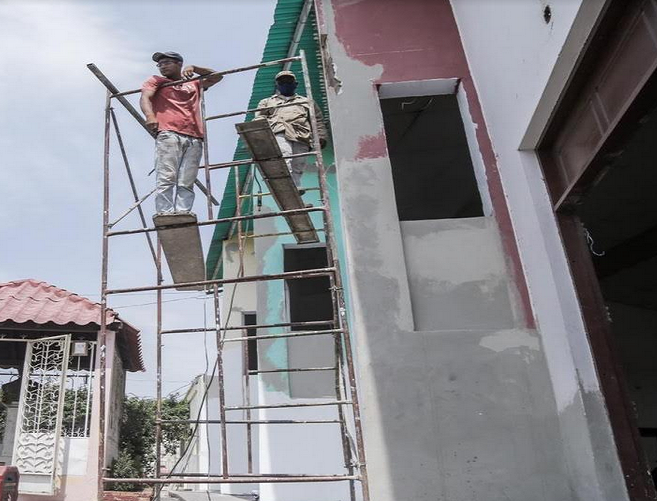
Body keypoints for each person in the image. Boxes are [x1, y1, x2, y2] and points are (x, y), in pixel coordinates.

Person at [140, 51, 223, 215]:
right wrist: (150, 116)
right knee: (167, 176)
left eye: (167, 63)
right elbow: (145, 98)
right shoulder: (157, 81)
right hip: (169, 133)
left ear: (179, 64)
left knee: (187, 179)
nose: (162, 67)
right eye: (160, 64)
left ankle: (182, 212)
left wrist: (194, 68)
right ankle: (165, 212)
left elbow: (217, 77)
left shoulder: (193, 83)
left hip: (194, 136)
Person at [255, 70, 328, 188]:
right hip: (280, 131)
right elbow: (259, 118)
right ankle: (286, 186)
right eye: (282, 82)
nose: (285, 84)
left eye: (288, 81)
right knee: (285, 156)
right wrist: (261, 136)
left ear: (295, 84)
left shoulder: (306, 102)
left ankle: (295, 189)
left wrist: (321, 137)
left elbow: (317, 120)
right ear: (277, 85)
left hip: (301, 135)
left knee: (298, 165)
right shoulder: (267, 102)